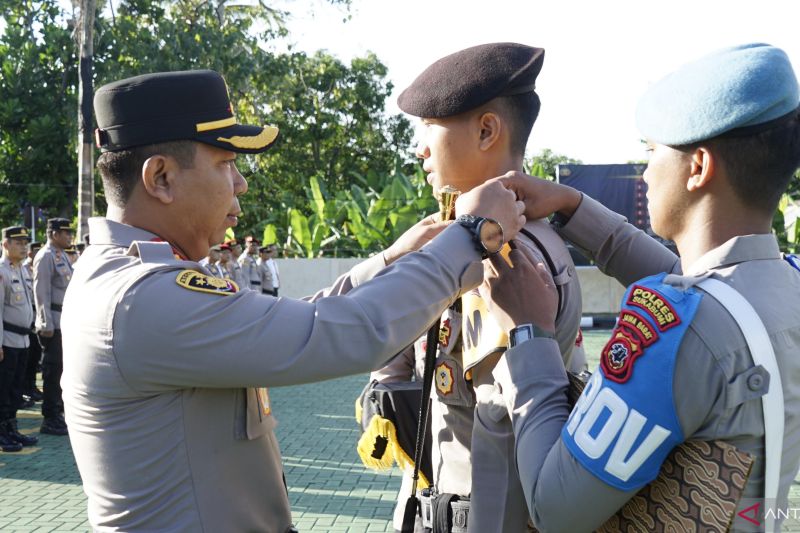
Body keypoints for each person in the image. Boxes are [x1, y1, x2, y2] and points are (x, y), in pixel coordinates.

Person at [60, 69, 525, 531]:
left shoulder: (138, 276)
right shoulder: (140, 297)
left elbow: (294, 317)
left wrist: (390, 259)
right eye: (225, 164)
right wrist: (469, 236)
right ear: (160, 177)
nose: (240, 184)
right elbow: (338, 332)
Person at [481, 43, 800, 532]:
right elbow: (706, 292)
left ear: (697, 167)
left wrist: (529, 333)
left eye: (652, 151)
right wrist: (573, 206)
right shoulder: (785, 283)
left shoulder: (675, 331)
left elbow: (553, 509)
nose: (646, 171)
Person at [368, 42, 584, 532]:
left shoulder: (501, 256)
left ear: (487, 130)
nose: (419, 148)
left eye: (430, 129)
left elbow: (497, 431)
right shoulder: (461, 238)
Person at [33, 217, 73, 436]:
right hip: (53, 323)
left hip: (63, 320)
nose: (69, 237)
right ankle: (50, 417)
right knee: (52, 370)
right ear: (54, 234)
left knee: (61, 370)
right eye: (65, 233)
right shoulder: (46, 256)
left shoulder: (61, 256)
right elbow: (41, 292)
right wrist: (45, 322)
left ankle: (57, 412)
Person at [0, 226, 39, 451]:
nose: (24, 246)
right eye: (18, 242)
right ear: (5, 245)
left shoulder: (23, 269)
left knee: (16, 389)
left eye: (25, 242)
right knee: (4, 389)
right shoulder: (2, 271)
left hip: (23, 339)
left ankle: (11, 428)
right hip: (7, 340)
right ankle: (2, 432)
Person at [22, 241, 42, 403]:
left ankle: (31, 386)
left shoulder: (31, 269)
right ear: (30, 254)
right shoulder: (22, 269)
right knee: (28, 359)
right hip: (23, 324)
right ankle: (26, 389)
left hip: (33, 319)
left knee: (34, 356)